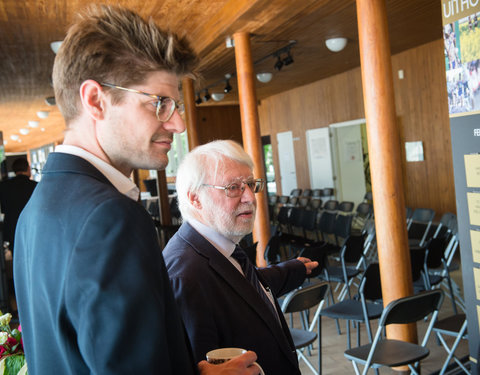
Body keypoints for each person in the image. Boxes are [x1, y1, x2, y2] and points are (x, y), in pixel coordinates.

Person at [13, 5, 259, 375]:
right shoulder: (109, 218)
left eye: (174, 105)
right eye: (159, 103)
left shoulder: (38, 207)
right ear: (95, 100)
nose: (177, 123)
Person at [163, 140, 318, 375]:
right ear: (195, 198)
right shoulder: (185, 274)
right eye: (233, 187)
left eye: (250, 184)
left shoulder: (219, 246)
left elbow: (241, 289)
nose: (250, 197)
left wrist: (292, 269)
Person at [0, 158, 37, 251]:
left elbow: (3, 209)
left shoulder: (3, 186)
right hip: (32, 227)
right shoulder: (36, 186)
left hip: (12, 228)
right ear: (28, 168)